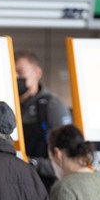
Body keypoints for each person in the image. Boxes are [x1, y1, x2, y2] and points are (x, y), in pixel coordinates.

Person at [15, 50, 72, 190]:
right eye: (12, 72)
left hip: (46, 187)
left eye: (20, 72)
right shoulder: (11, 106)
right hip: (19, 183)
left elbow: (67, 159)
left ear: (37, 73)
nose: (15, 77)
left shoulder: (52, 105)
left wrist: (32, 163)